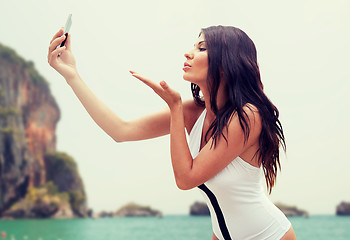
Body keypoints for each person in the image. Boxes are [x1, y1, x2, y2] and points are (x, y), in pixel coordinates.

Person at [48, 25, 297, 240]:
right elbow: (120, 130)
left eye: (202, 48)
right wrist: (72, 75)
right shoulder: (194, 111)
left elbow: (186, 178)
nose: (188, 52)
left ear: (225, 63)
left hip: (269, 235)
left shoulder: (248, 116)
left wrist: (175, 107)